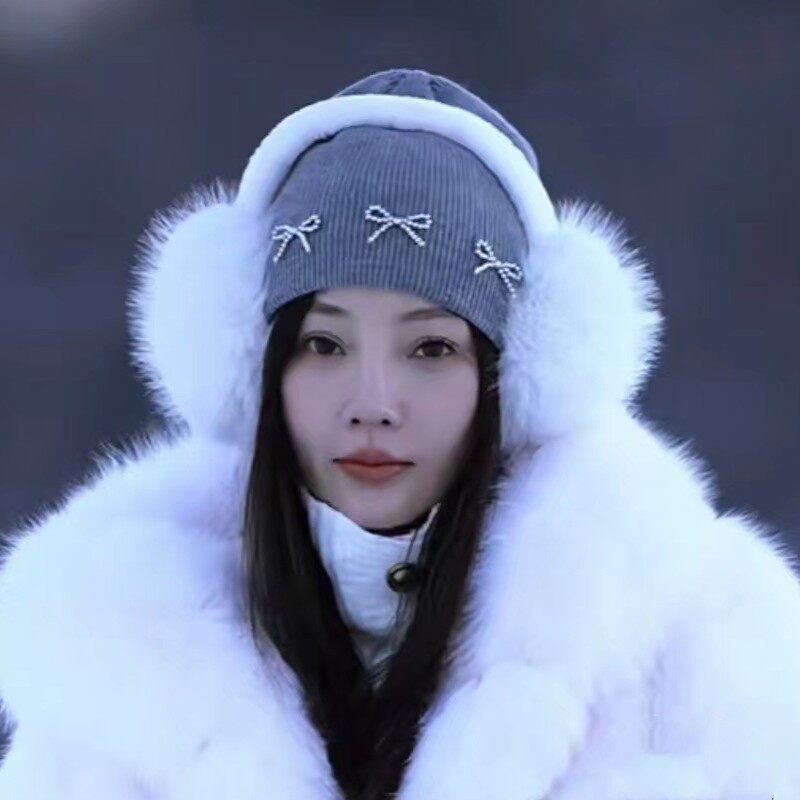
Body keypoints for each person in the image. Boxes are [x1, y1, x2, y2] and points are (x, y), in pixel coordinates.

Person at [0, 67, 798, 800]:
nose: (373, 404)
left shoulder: (710, 650)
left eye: (431, 349)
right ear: (260, 368)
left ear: (510, 376)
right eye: (324, 345)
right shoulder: (113, 684)